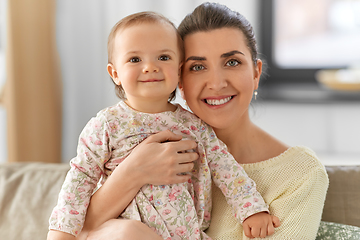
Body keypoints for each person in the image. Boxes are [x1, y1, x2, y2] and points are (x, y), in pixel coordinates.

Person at [47, 10, 280, 240]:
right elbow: (80, 181)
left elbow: (227, 169)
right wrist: (61, 233)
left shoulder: (194, 126)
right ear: (115, 73)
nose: (150, 67)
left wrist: (252, 209)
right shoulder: (106, 126)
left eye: (164, 57)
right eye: (135, 59)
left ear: (179, 70)